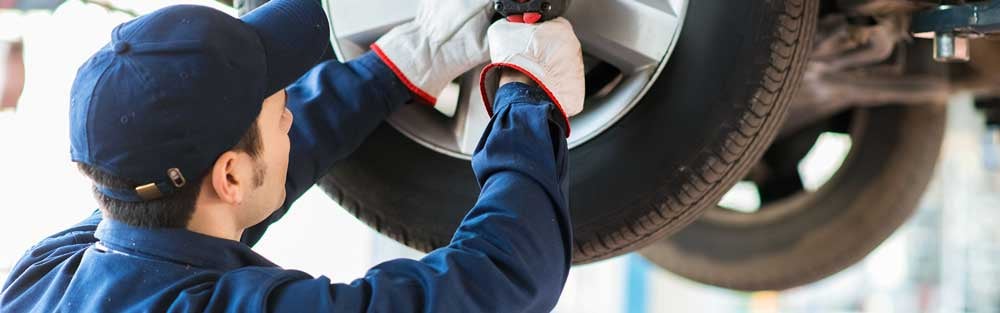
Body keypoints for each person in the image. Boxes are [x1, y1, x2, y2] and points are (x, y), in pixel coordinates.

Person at [0, 0, 584, 311]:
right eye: (276, 107)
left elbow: (262, 165)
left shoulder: (48, 275)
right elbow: (502, 282)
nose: (290, 113)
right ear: (228, 174)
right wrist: (527, 99)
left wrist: (395, 68)